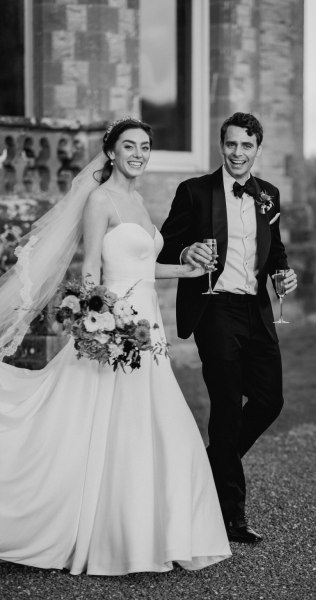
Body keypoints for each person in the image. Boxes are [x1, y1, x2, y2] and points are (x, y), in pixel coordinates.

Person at [0, 118, 231, 575]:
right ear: (110, 152)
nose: (139, 154)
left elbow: (142, 267)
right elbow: (91, 270)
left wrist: (184, 271)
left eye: (145, 146)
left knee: (154, 422)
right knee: (110, 423)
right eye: (130, 146)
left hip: (150, 329)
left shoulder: (139, 201)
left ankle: (151, 531)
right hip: (118, 328)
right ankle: (109, 533)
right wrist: (97, 323)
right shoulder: (99, 199)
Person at [158, 112, 297, 544]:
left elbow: (274, 250)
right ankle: (231, 514)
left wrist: (284, 273)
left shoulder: (269, 195)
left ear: (258, 149)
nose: (238, 153)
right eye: (231, 144)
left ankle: (211, 463)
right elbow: (167, 242)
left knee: (269, 399)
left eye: (247, 146)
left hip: (256, 309)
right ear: (222, 145)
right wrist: (188, 252)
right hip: (213, 308)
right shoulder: (194, 191)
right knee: (224, 402)